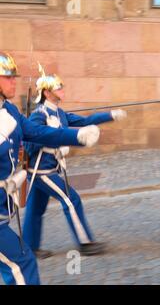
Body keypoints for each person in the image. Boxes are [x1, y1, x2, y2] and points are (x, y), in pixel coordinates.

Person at [0, 52, 99, 285]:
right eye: (7, 77)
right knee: (22, 264)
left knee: (23, 259)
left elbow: (37, 133)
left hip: (4, 209)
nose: (14, 81)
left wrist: (77, 137)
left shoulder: (10, 110)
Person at [22, 65, 127, 259]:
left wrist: (110, 115)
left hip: (50, 168)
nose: (62, 91)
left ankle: (30, 248)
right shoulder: (38, 115)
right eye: (58, 88)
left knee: (35, 209)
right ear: (47, 92)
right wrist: (52, 139)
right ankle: (85, 242)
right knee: (71, 199)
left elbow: (85, 121)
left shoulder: (60, 113)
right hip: (42, 171)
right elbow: (31, 141)